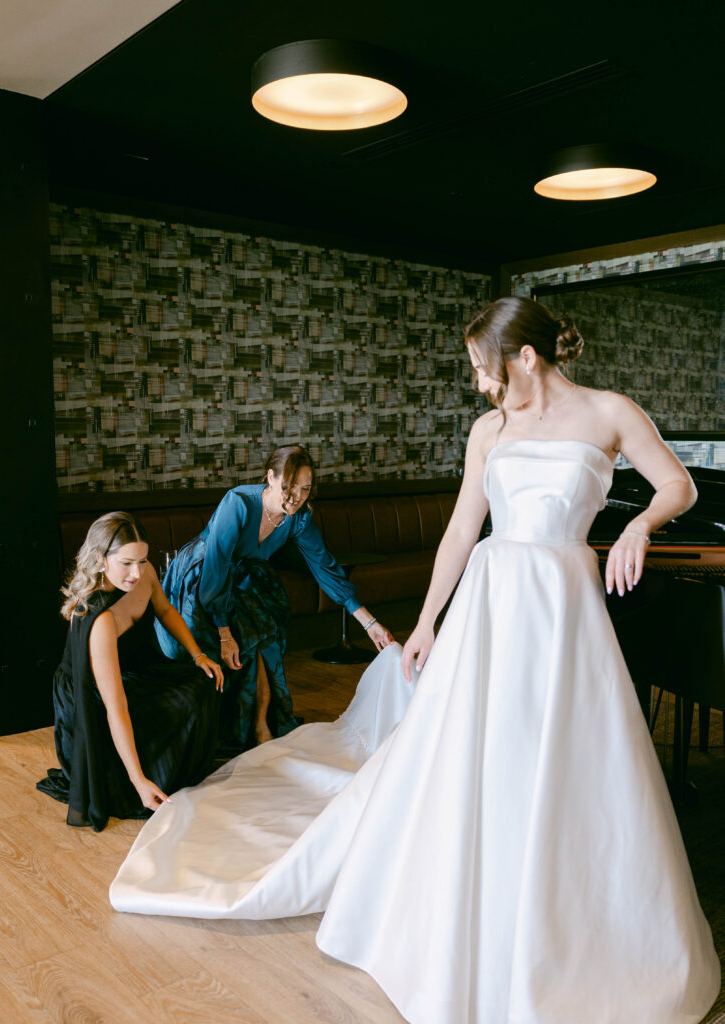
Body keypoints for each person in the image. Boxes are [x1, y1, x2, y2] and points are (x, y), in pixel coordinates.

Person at [111, 298, 719, 1024]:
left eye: (483, 369)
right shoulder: (488, 431)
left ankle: (569, 924)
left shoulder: (609, 412)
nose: (480, 385)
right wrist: (427, 620)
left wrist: (641, 529)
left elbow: (676, 486)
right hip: (492, 604)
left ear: (525, 357)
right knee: (472, 752)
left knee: (572, 754)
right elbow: (464, 526)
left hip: (565, 605)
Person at [156, 444, 394, 751]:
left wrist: (369, 622)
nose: (296, 498)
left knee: (264, 639)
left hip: (243, 576)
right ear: (270, 477)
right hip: (202, 577)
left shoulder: (299, 517)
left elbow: (324, 566)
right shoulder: (238, 503)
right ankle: (205, 734)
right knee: (210, 645)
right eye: (288, 488)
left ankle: (261, 727)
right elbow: (217, 568)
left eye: (305, 489)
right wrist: (225, 632)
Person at [37, 512, 224, 831]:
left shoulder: (145, 572)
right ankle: (147, 776)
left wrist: (197, 655)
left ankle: (172, 770)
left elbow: (165, 609)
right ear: (100, 559)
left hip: (135, 669)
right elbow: (115, 707)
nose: (137, 572)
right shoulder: (100, 619)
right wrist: (138, 781)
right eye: (126, 563)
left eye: (142, 560)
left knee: (202, 682)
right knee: (165, 710)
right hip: (93, 696)